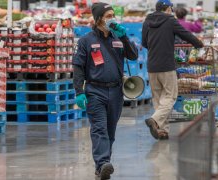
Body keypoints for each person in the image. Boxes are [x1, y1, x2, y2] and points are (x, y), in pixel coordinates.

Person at [73, 2, 138, 179]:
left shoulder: (118, 38)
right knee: (99, 128)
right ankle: (102, 163)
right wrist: (79, 91)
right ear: (99, 18)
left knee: (110, 131)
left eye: (113, 15)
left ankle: (102, 166)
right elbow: (78, 66)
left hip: (116, 91)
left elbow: (133, 56)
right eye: (108, 16)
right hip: (95, 91)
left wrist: (125, 37)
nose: (112, 19)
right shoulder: (86, 41)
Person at [142, 0, 204, 140]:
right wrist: (198, 44)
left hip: (152, 66)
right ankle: (155, 119)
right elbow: (185, 34)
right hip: (167, 66)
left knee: (159, 99)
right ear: (168, 8)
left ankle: (163, 130)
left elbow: (144, 43)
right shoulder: (170, 20)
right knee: (170, 96)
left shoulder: (147, 21)